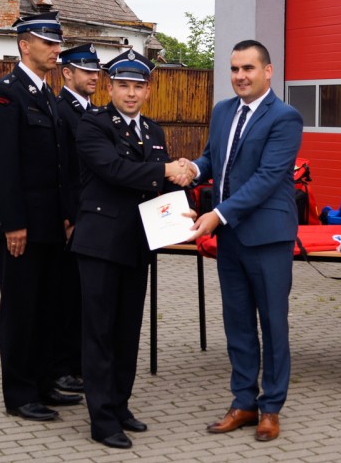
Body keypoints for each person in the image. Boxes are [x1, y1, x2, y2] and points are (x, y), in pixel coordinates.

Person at [70, 48, 195, 449]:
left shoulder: (153, 132)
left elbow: (161, 184)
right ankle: (102, 420)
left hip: (137, 244)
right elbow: (114, 169)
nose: (130, 93)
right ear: (110, 88)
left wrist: (186, 177)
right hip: (100, 245)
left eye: (138, 87)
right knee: (100, 333)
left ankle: (120, 405)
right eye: (123, 85)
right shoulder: (93, 124)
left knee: (127, 331)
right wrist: (165, 169)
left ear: (148, 91)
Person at [191, 40, 303, 442]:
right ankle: (243, 402)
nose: (240, 76)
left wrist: (217, 214)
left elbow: (267, 178)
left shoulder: (285, 118)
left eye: (248, 68)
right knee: (237, 323)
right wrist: (191, 168)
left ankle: (271, 408)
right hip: (231, 238)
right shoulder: (223, 111)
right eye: (235, 69)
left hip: (268, 238)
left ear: (267, 71)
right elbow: (213, 159)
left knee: (272, 325)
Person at [0, 11, 83, 422]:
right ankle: (20, 394)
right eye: (48, 42)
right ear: (25, 45)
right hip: (23, 225)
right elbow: (1, 165)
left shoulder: (48, 97)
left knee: (47, 308)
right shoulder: (5, 95)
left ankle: (43, 384)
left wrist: (68, 215)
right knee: (21, 309)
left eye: (58, 43)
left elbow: (61, 165)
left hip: (51, 224)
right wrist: (13, 223)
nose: (56, 50)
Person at [50, 43, 102, 394]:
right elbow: (62, 170)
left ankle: (80, 364)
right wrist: (68, 216)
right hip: (73, 218)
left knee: (84, 295)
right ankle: (62, 367)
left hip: (92, 215)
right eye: (86, 71)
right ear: (67, 73)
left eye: (96, 71)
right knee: (66, 296)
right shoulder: (60, 111)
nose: (94, 76)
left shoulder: (94, 112)